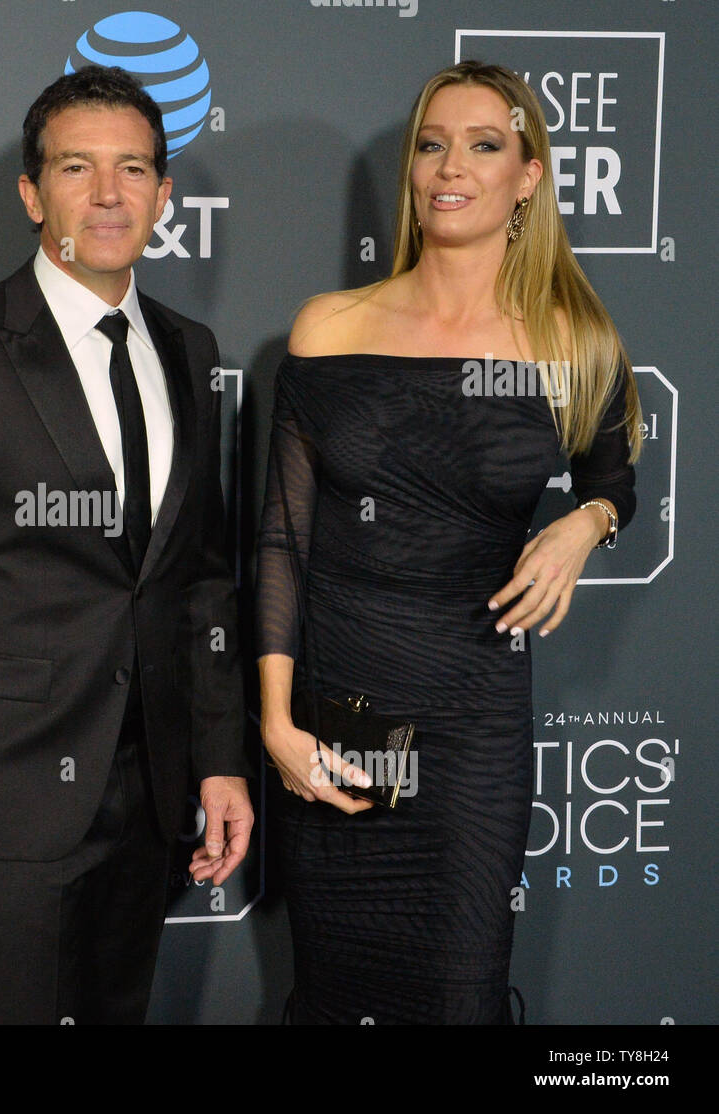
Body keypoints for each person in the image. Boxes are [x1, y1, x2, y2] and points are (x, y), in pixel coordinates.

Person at [0, 65, 252, 1024]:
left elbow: (199, 580)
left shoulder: (192, 350)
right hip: (5, 792)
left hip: (153, 792)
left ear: (163, 193)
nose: (108, 195)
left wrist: (218, 757)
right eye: (78, 168)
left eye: (133, 170)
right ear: (32, 194)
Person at [256, 60, 640, 1024]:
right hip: (338, 719)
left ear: (529, 176)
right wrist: (274, 723)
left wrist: (585, 526)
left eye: (483, 144)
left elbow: (611, 479)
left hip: (473, 724)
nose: (448, 166)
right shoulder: (330, 329)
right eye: (431, 144)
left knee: (457, 991)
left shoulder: (573, 344)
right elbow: (280, 542)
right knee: (336, 992)